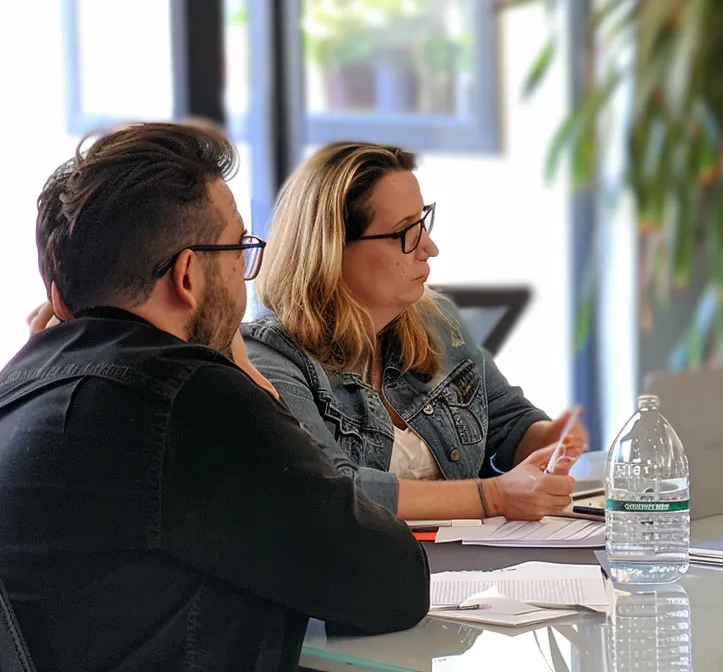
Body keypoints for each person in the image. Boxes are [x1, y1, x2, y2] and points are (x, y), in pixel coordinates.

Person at [0, 122, 427, 671]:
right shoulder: (187, 397)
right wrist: (256, 390)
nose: (246, 277)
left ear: (59, 295)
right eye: (239, 250)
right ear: (187, 275)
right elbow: (391, 585)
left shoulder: (17, 387)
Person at [243, 142, 584, 522]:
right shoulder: (269, 357)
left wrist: (554, 438)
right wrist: (494, 498)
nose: (429, 248)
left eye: (422, 221)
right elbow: (334, 488)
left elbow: (506, 424)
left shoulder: (437, 320)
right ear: (331, 248)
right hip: (356, 575)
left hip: (467, 567)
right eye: (405, 232)